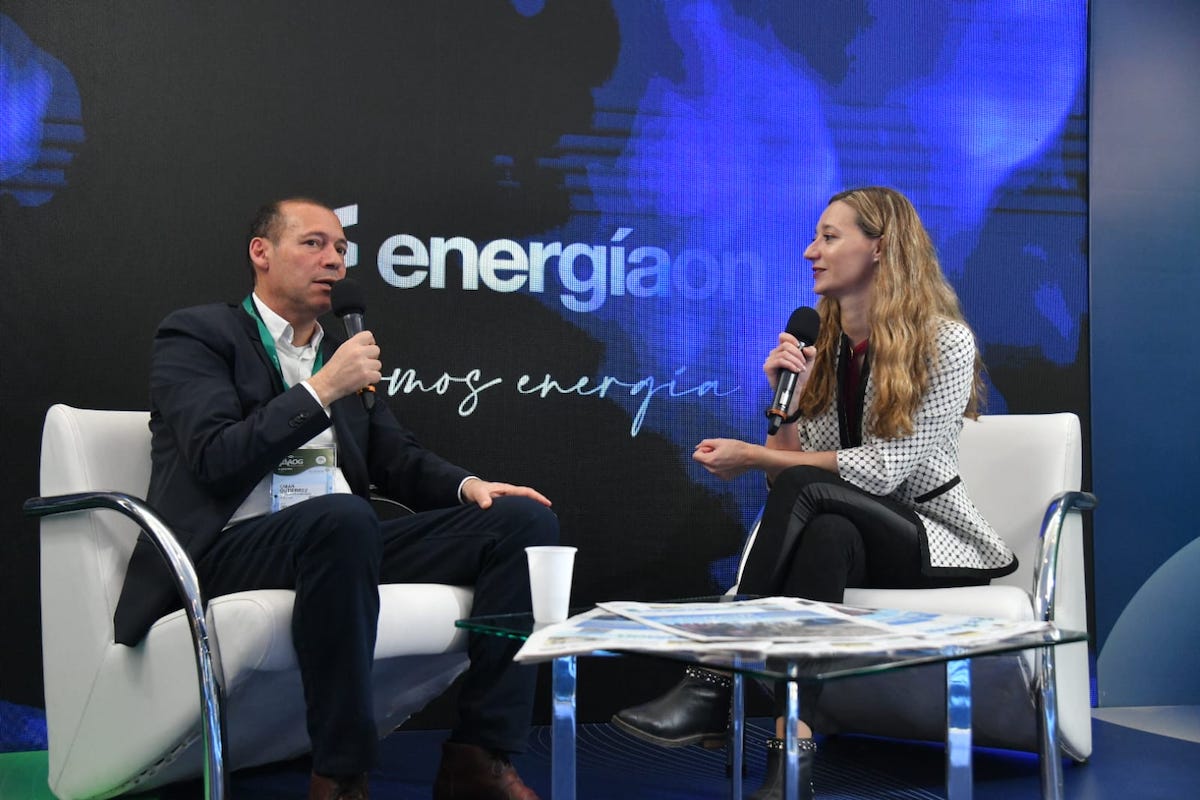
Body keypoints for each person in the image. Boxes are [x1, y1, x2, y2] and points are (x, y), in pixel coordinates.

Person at [113, 197, 559, 800]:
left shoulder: (339, 350)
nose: (335, 261)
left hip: (340, 540)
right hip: (228, 547)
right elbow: (215, 457)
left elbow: (393, 456)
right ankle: (343, 774)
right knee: (345, 517)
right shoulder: (199, 334)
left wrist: (467, 486)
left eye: (342, 249)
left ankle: (480, 756)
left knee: (520, 522)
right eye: (314, 244)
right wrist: (321, 389)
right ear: (261, 253)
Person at [612, 187, 1017, 800]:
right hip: (851, 532)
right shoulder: (825, 350)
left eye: (829, 237)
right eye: (816, 236)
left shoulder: (946, 342)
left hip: (928, 539)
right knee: (826, 533)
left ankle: (713, 677)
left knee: (816, 497)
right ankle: (790, 755)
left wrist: (756, 456)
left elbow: (883, 472)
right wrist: (785, 409)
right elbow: (794, 480)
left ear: (879, 248)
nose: (810, 251)